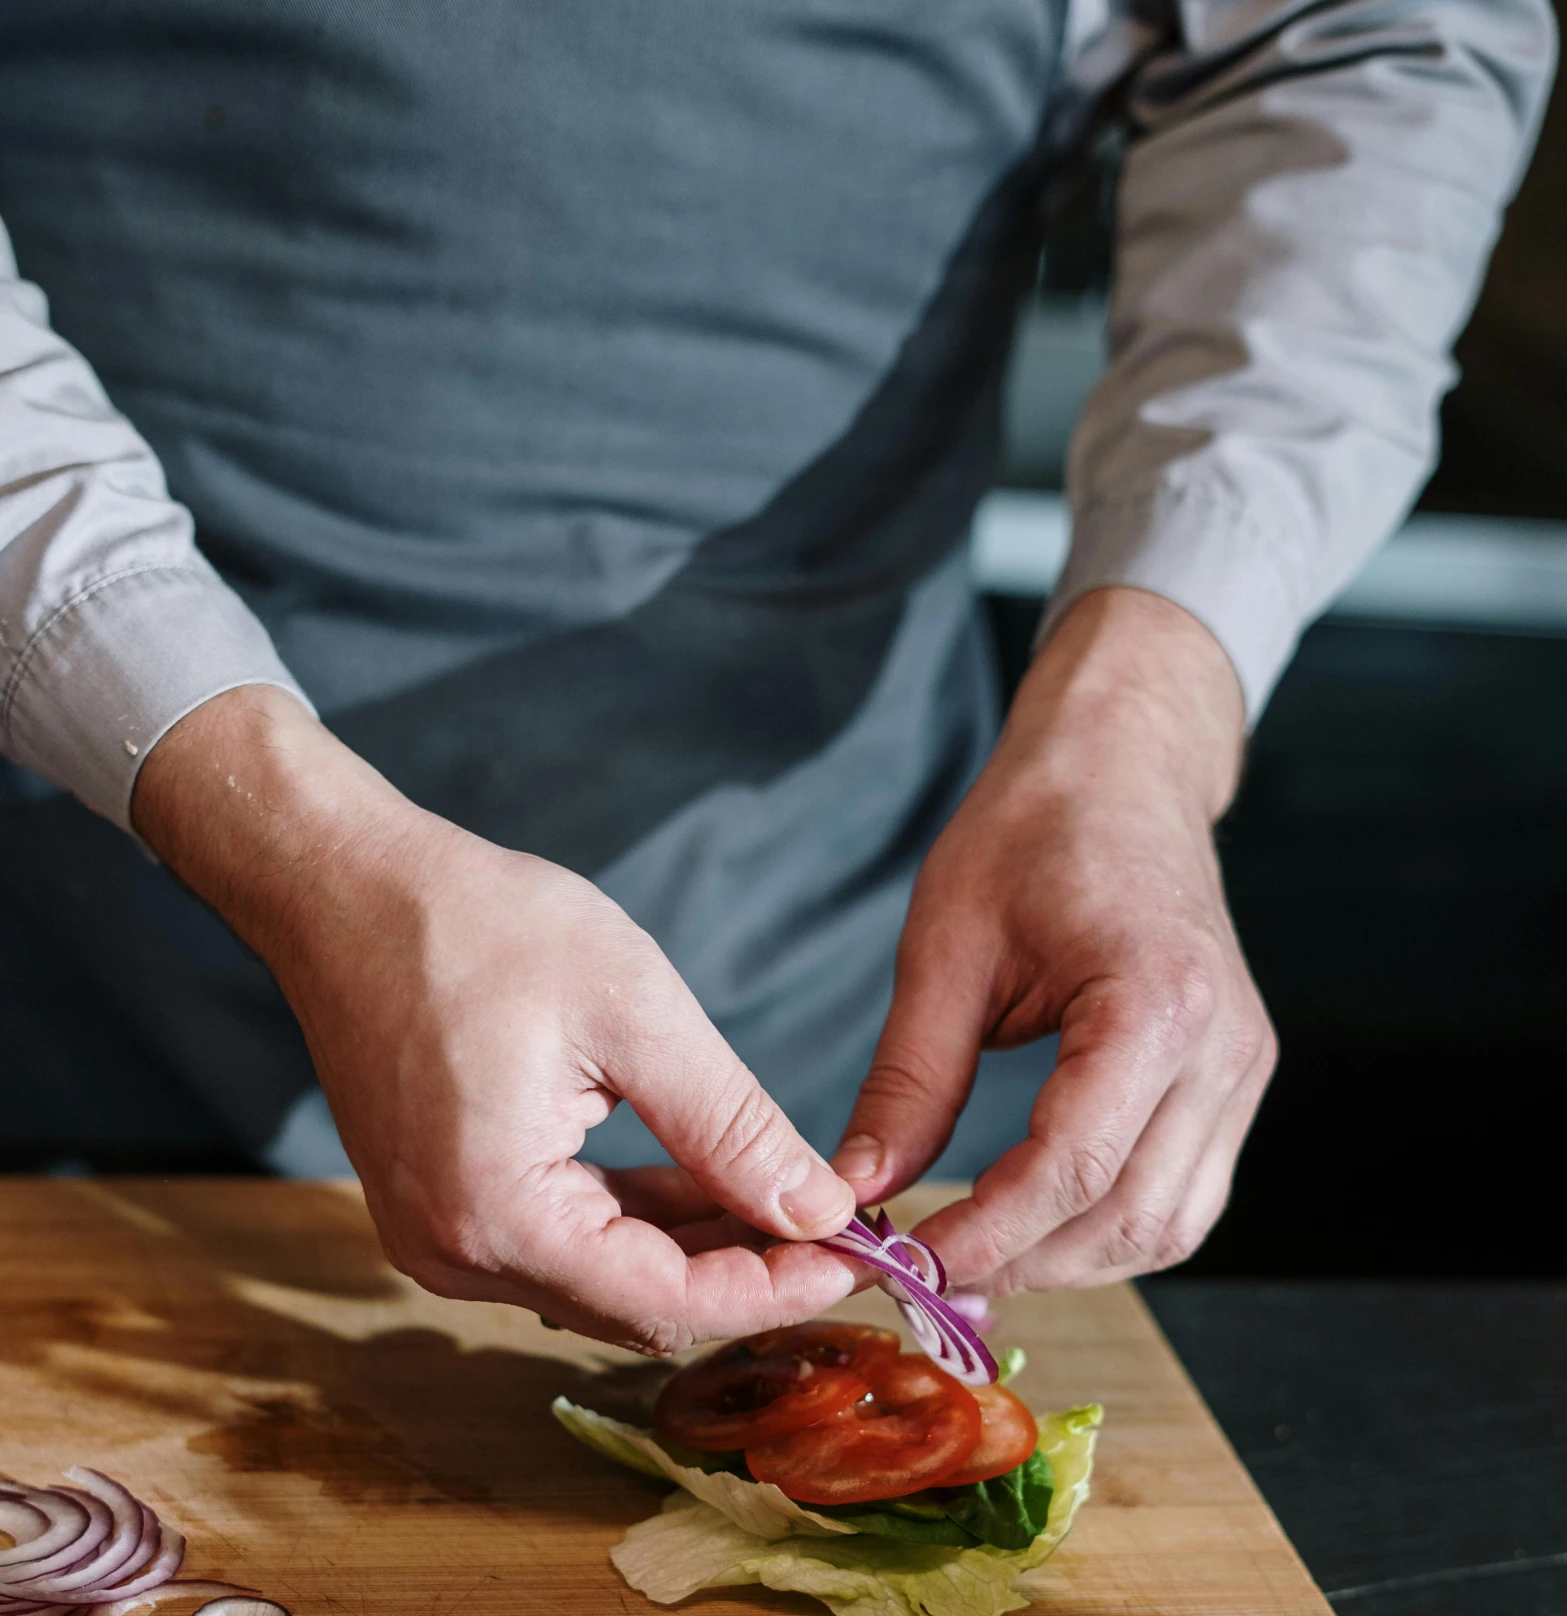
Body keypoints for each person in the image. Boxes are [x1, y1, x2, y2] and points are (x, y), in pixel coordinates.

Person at [0, 0, 1552, 1353]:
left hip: (836, 991)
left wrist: (1140, 730)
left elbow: (1361, 41)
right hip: (70, 1014)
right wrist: (291, 841)